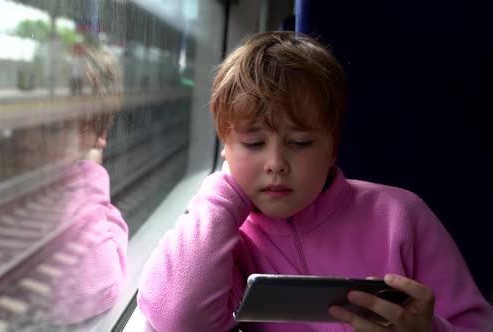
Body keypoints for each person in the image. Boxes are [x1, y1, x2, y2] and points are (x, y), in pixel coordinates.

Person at [136, 32, 493, 331]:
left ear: (332, 148)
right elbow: (178, 318)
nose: (275, 164)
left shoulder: (401, 217)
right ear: (225, 148)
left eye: (300, 143)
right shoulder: (225, 242)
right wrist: (221, 192)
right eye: (253, 143)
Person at [48, 45, 127, 324]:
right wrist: (92, 174)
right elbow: (100, 288)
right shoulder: (67, 191)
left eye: (53, 126)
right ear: (101, 135)